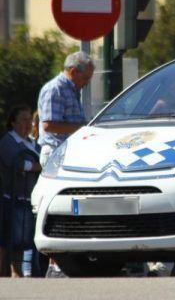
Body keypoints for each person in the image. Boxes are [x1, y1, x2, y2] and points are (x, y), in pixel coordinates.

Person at [37, 51, 92, 277]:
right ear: (72, 71)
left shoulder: (71, 90)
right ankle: (55, 263)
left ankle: (65, 259)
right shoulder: (55, 89)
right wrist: (81, 129)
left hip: (68, 155)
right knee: (58, 206)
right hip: (55, 156)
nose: (86, 83)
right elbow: (49, 125)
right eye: (85, 78)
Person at [0, 105, 41, 277]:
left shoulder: (32, 142)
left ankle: (20, 273)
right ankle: (12, 272)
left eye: (30, 120)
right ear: (13, 122)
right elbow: (16, 163)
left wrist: (33, 166)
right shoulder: (8, 141)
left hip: (30, 198)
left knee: (25, 239)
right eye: (23, 119)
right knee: (13, 239)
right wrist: (36, 166)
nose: (28, 123)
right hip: (14, 198)